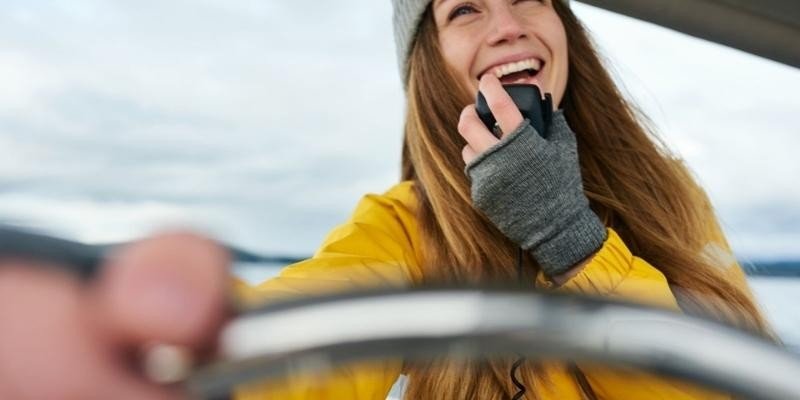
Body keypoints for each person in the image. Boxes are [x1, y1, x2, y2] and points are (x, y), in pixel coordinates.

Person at [0, 0, 775, 399]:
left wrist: (570, 236)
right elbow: (299, 341)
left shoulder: (670, 193)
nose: (509, 27)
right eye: (464, 9)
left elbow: (732, 382)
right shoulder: (407, 225)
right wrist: (168, 364)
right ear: (428, 65)